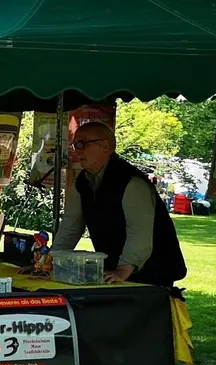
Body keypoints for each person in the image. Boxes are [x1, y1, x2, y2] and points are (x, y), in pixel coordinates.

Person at [52, 121, 187, 287]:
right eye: (75, 145)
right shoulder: (83, 182)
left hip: (153, 274)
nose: (77, 150)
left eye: (83, 144)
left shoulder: (130, 181)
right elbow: (71, 226)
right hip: (114, 273)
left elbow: (139, 231)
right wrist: (51, 261)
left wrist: (124, 269)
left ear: (105, 146)